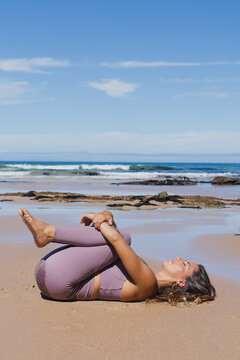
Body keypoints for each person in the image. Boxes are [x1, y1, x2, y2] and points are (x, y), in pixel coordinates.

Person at [18, 207, 216, 305]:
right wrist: (106, 215)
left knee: (125, 237)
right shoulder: (144, 273)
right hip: (55, 278)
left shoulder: (148, 285)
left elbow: (116, 239)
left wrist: (101, 218)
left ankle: (48, 233)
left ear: (181, 283)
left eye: (186, 265)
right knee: (120, 238)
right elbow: (113, 241)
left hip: (60, 281)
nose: (180, 258)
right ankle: (46, 234)